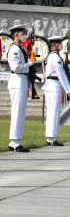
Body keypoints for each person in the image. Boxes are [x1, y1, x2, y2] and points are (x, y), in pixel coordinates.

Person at [43, 34, 70, 146]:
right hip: (53, 85)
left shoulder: (55, 56)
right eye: (59, 43)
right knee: (53, 113)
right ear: (54, 44)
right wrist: (69, 90)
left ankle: (51, 137)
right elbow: (61, 74)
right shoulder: (55, 57)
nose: (61, 45)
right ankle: (51, 138)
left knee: (54, 112)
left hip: (54, 85)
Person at [7, 24, 32, 152]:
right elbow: (15, 67)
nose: (24, 35)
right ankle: (14, 142)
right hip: (17, 80)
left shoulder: (20, 48)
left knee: (20, 112)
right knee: (17, 112)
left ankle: (16, 140)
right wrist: (29, 64)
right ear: (16, 34)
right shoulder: (14, 49)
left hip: (21, 81)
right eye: (23, 33)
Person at [20, 32, 39, 99]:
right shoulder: (21, 44)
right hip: (25, 62)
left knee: (32, 80)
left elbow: (31, 51)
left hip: (29, 62)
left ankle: (34, 94)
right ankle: (33, 94)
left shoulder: (28, 42)